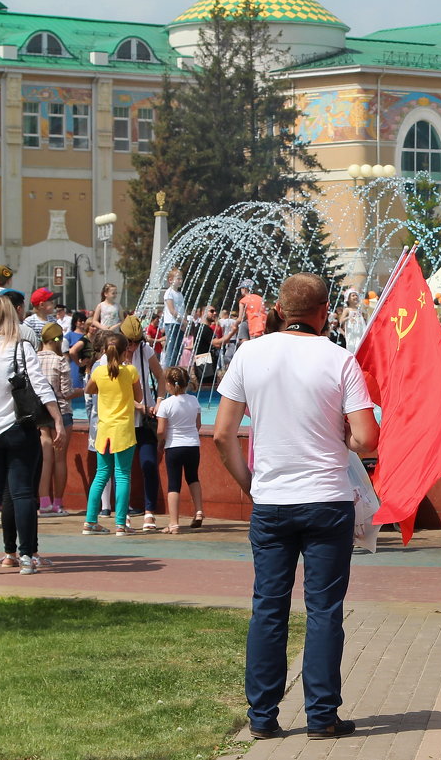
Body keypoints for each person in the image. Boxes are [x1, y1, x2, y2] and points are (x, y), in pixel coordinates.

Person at [214, 273, 379, 741]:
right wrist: (341, 438)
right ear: (325, 311)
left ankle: (263, 718)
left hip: (272, 501)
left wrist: (249, 485)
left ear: (279, 311)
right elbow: (367, 438)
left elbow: (224, 434)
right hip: (326, 499)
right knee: (325, 608)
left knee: (268, 607)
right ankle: (322, 717)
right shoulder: (339, 358)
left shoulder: (249, 353)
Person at [0, 297, 65, 575]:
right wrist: (57, 419)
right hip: (19, 429)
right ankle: (25, 557)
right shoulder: (21, 348)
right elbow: (41, 385)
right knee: (22, 495)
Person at [82, 332, 143, 536]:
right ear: (125, 350)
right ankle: (120, 524)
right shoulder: (131, 372)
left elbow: (89, 390)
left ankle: (90, 521)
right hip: (123, 430)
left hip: (104, 430)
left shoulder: (99, 373)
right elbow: (140, 396)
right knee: (123, 475)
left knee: (101, 475)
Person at [120, 314, 167, 530]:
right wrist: (138, 405)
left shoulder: (144, 350)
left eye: (136, 342)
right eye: (130, 342)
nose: (132, 347)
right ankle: (124, 512)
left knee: (148, 465)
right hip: (125, 417)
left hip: (146, 417)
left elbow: (161, 376)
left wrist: (159, 401)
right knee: (124, 468)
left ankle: (149, 512)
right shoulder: (113, 355)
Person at [37, 322, 82, 516]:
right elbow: (65, 392)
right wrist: (83, 390)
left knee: (45, 459)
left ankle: (43, 502)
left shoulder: (34, 358)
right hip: (61, 412)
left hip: (40, 412)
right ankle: (57, 503)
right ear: (57, 340)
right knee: (60, 459)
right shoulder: (60, 361)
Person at [156, 366, 203, 534]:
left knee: (174, 484)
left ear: (169, 384)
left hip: (174, 446)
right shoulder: (194, 401)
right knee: (193, 478)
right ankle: (198, 511)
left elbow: (161, 431)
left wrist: (160, 443)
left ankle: (174, 523)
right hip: (192, 445)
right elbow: (198, 425)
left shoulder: (166, 404)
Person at [161, 268, 186, 368]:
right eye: (178, 279)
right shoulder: (169, 293)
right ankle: (168, 372)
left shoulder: (180, 294)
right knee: (171, 350)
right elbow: (172, 310)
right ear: (170, 280)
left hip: (179, 324)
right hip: (171, 323)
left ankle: (175, 370)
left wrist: (185, 321)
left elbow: (183, 309)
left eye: (181, 279)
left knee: (178, 350)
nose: (180, 281)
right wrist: (183, 321)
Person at [236, 279, 266, 344]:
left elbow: (240, 318)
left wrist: (234, 325)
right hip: (264, 327)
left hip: (253, 328)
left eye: (241, 289)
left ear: (244, 288)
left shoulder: (243, 301)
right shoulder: (260, 298)